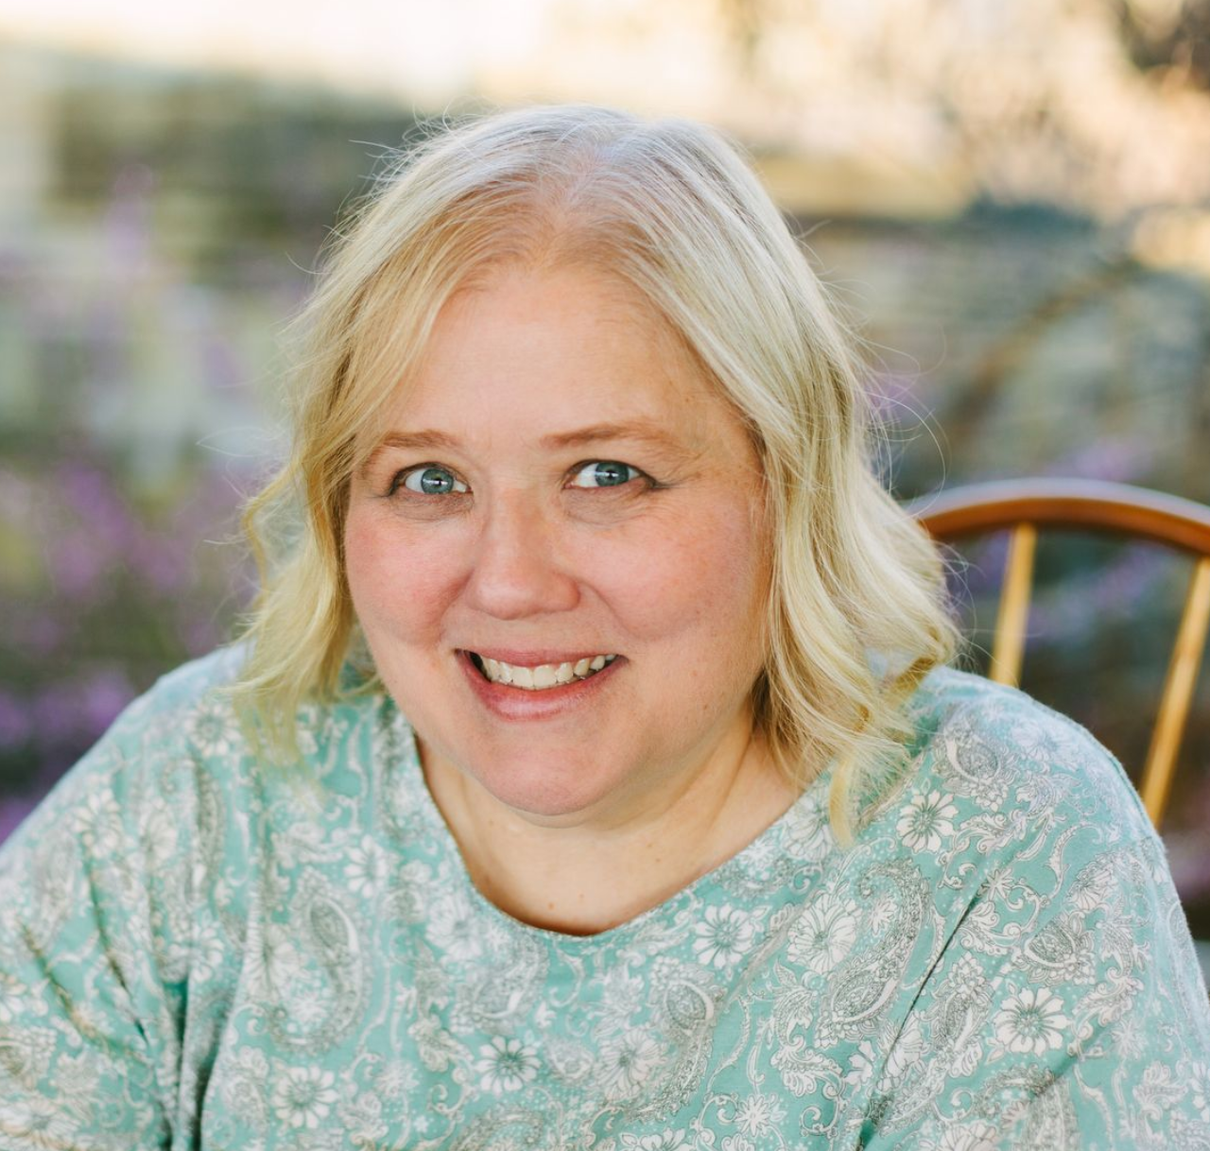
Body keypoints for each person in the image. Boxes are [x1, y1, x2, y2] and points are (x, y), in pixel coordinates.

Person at [1, 104, 1207, 1151]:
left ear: (781, 485)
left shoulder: (1011, 857)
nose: (512, 580)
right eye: (428, 480)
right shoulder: (200, 790)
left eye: (607, 474)